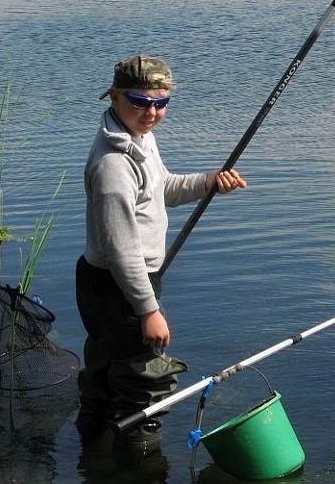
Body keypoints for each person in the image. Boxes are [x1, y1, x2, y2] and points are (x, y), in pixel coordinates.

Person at [75, 55, 246, 457]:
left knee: (104, 373)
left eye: (161, 102)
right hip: (120, 286)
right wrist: (148, 309)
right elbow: (121, 251)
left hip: (113, 283)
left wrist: (208, 183)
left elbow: (162, 188)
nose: (151, 112)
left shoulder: (137, 137)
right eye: (140, 101)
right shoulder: (113, 165)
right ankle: (142, 465)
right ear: (115, 95)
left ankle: (92, 453)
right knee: (142, 382)